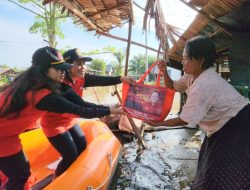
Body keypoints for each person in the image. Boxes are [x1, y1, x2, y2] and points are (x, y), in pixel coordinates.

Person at [0, 46, 124, 190]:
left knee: (21, 173)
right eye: (58, 69)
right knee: (21, 175)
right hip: (4, 137)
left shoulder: (32, 84)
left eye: (64, 68)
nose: (63, 72)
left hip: (9, 134)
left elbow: (80, 104)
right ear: (44, 70)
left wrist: (107, 109)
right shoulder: (41, 94)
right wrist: (108, 110)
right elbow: (77, 110)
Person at [147, 36, 250, 189]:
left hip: (237, 124)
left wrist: (158, 123)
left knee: (226, 167)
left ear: (200, 60)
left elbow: (184, 119)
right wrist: (163, 71)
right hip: (221, 125)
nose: (182, 62)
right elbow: (173, 86)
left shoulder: (205, 83)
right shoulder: (191, 76)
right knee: (211, 163)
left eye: (186, 58)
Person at [39, 48, 135, 177]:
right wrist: (108, 110)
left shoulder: (80, 79)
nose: (82, 67)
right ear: (67, 66)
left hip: (70, 120)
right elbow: (82, 106)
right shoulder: (61, 85)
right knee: (70, 155)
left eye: (84, 64)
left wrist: (121, 78)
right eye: (78, 64)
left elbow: (102, 80)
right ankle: (56, 178)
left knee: (82, 144)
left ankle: (72, 172)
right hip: (54, 124)